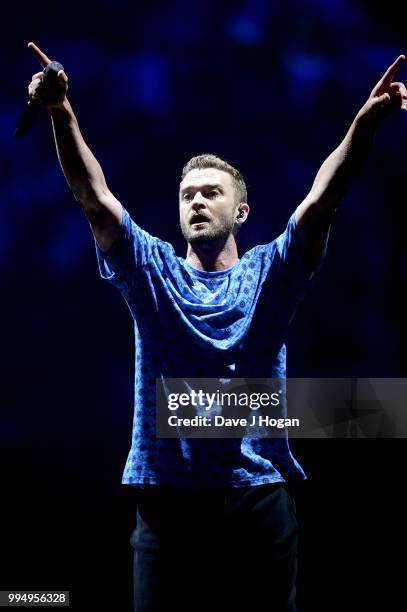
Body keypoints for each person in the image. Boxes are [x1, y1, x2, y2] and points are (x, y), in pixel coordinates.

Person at [26, 41, 406, 611]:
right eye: (186, 195)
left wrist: (363, 125)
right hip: (166, 504)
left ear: (241, 211)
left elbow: (322, 200)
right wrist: (62, 114)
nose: (196, 202)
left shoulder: (270, 274)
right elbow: (94, 198)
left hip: (258, 500)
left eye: (210, 192)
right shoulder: (150, 269)